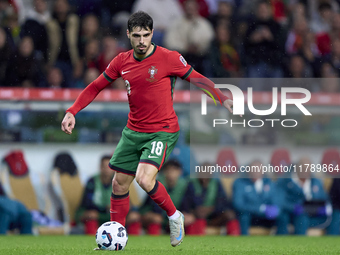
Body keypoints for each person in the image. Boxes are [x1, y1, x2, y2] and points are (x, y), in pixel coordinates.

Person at [61, 11, 233, 247]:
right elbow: (95, 86)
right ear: (128, 35)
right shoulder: (121, 61)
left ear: (152, 33)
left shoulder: (169, 58)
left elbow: (197, 78)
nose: (141, 41)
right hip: (133, 131)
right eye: (136, 36)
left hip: (162, 130)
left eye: (145, 35)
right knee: (119, 182)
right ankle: (115, 240)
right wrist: (72, 111)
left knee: (143, 178)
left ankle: (175, 216)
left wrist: (222, 98)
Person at [276, 156, 332, 235]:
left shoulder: (316, 182)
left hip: (313, 215)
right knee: (298, 219)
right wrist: (293, 207)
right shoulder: (285, 182)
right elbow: (280, 200)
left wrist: (323, 208)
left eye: (308, 168)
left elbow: (324, 199)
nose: (306, 171)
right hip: (290, 214)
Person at [232, 160, 281, 235]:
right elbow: (238, 204)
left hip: (266, 217)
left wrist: (275, 208)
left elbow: (276, 201)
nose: (255, 172)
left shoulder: (270, 183)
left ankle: (281, 242)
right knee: (244, 216)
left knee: (282, 217)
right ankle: (244, 242)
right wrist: (261, 208)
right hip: (250, 216)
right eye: (253, 169)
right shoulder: (240, 183)